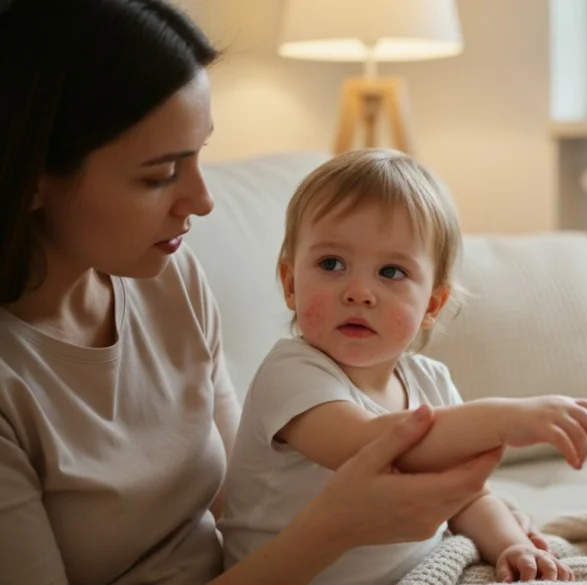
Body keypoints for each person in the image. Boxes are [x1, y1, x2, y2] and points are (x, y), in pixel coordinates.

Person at [0, 1, 549, 584]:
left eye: (199, 156)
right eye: (159, 174)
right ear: (33, 176)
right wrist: (337, 527)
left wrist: (486, 523)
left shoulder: (169, 280)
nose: (203, 201)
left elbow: (243, 495)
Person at [218, 149, 587, 584]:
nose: (359, 292)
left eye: (392, 272)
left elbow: (467, 497)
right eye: (331, 264)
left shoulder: (430, 380)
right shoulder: (291, 373)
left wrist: (512, 545)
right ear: (289, 284)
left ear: (432, 304)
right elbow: (371, 445)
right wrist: (506, 417)